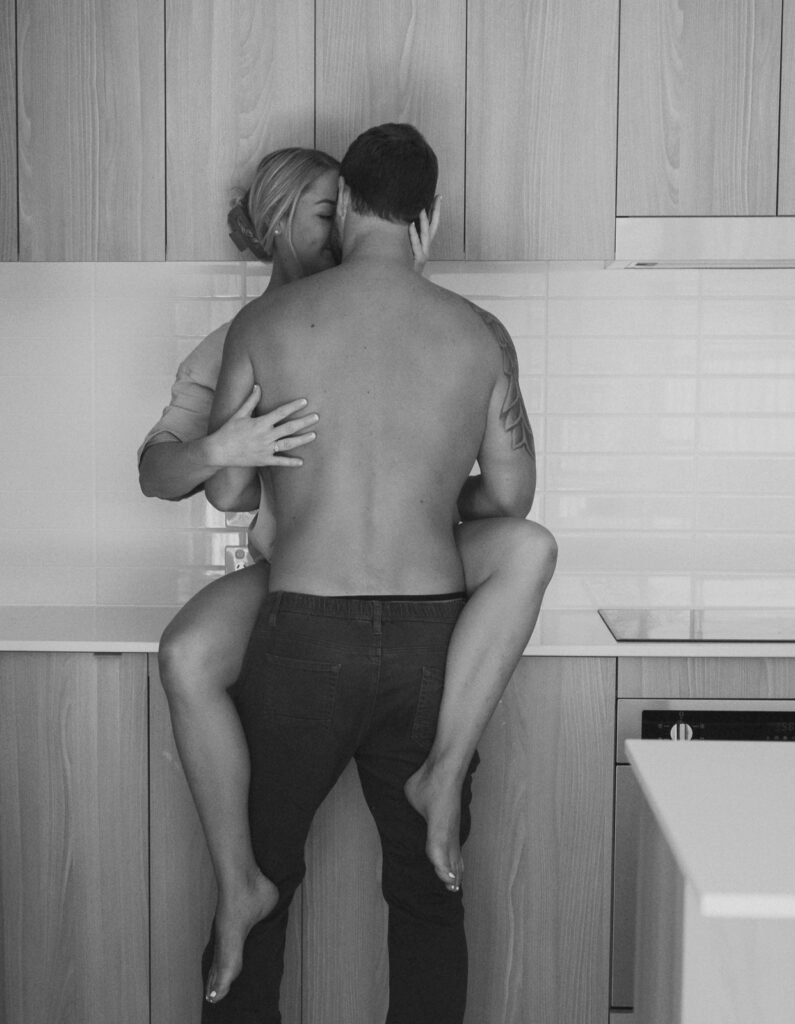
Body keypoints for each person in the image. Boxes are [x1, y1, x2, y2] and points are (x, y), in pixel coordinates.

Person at [138, 145, 556, 1009]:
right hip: (424, 630)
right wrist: (420, 491)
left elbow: (230, 493)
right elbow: (510, 501)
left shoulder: (264, 329)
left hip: (305, 627)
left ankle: (240, 898)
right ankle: (438, 774)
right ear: (426, 220)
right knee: (428, 898)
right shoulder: (473, 331)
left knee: (263, 882)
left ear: (352, 204)